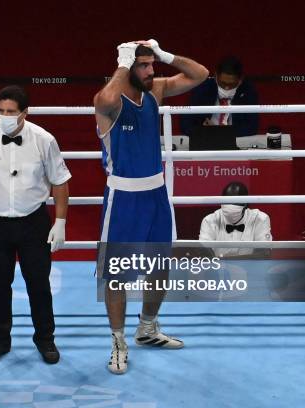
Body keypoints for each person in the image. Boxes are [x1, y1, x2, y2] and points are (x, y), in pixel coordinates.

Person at [94, 39, 208, 374]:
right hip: (123, 198)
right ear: (127, 67)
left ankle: (147, 328)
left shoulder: (154, 91)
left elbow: (200, 75)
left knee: (159, 266)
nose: (150, 71)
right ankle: (118, 341)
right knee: (117, 276)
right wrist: (122, 62)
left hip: (156, 193)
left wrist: (165, 54)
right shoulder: (110, 102)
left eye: (151, 65)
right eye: (143, 66)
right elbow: (105, 99)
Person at [0, 85, 71, 365]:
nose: (5, 116)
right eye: (1, 111)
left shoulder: (44, 140)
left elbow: (60, 182)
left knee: (38, 284)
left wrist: (60, 222)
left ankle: (45, 339)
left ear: (24, 113)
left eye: (11, 112)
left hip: (34, 222)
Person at [180, 56, 259, 137]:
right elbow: (185, 124)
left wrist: (223, 132)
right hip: (206, 139)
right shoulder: (202, 89)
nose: (226, 88)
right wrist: (202, 130)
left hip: (235, 140)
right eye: (223, 83)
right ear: (216, 76)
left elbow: (252, 127)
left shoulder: (248, 92)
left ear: (240, 80)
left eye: (231, 84)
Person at [199, 181, 272, 257]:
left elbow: (264, 253)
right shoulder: (209, 220)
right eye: (227, 202)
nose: (230, 206)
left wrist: (228, 263)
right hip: (219, 268)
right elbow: (204, 254)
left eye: (235, 202)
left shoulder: (260, 219)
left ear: (246, 204)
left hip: (251, 267)